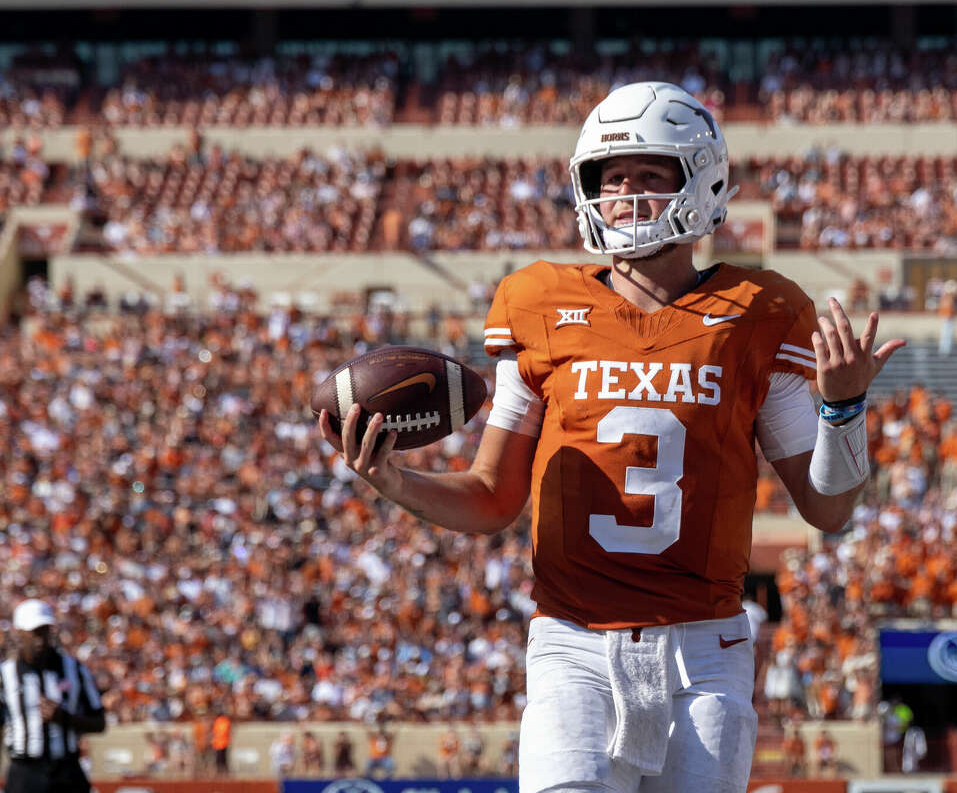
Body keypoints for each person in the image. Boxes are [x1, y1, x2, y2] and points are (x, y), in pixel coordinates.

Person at [319, 80, 903, 793]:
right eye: (611, 176)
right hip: (573, 640)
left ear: (703, 181)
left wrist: (841, 411)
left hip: (705, 646)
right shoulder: (537, 302)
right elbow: (492, 497)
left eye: (650, 174)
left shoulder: (762, 311)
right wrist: (393, 480)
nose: (625, 192)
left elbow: (828, 511)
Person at [1, 599, 106, 793]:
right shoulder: (5, 675)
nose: (40, 639)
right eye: (34, 632)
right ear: (19, 633)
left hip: (67, 770)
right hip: (25, 773)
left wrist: (64, 718)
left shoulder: (74, 669)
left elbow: (99, 722)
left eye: (44, 631)